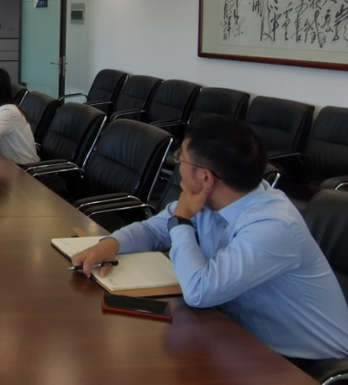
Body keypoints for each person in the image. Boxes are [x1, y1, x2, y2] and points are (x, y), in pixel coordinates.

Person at [71, 115, 348, 364]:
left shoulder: (273, 225)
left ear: (205, 177)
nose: (178, 165)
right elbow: (154, 230)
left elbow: (200, 291)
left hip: (307, 362)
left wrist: (181, 221)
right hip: (238, 334)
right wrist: (111, 244)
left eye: (181, 158)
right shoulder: (214, 197)